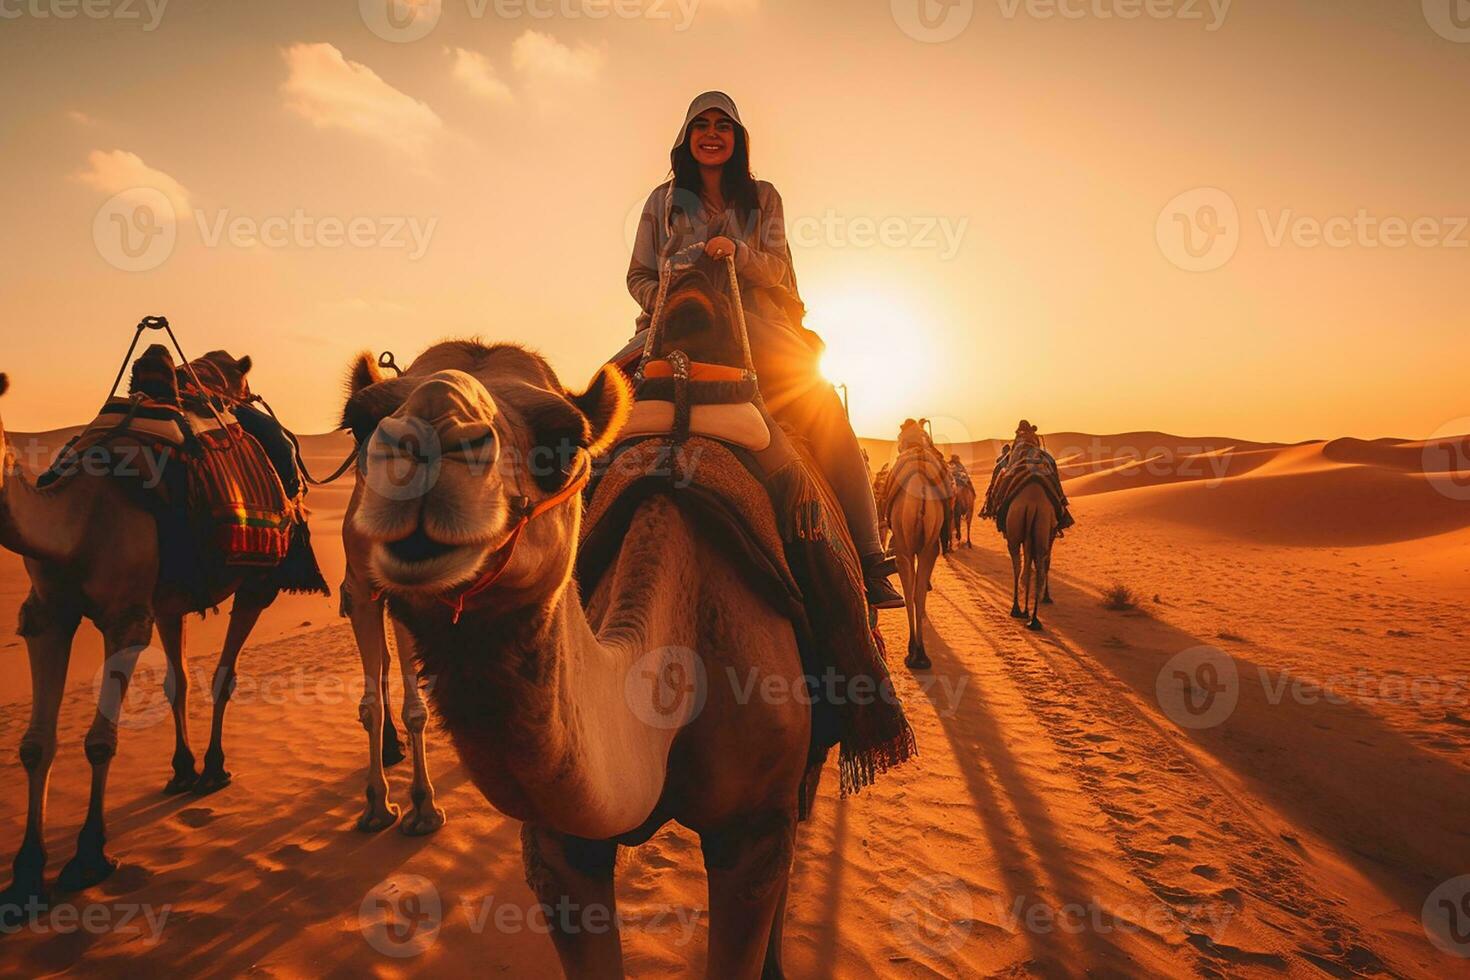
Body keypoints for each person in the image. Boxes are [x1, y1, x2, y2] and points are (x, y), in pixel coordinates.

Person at [622, 91, 902, 608]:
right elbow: (636, 275)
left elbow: (778, 269)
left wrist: (740, 253)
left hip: (752, 323)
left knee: (822, 406)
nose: (711, 134)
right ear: (686, 137)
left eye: (722, 126)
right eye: (700, 125)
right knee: (596, 403)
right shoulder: (661, 202)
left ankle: (866, 555)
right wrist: (669, 284)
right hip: (673, 323)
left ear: (737, 138)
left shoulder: (763, 196)